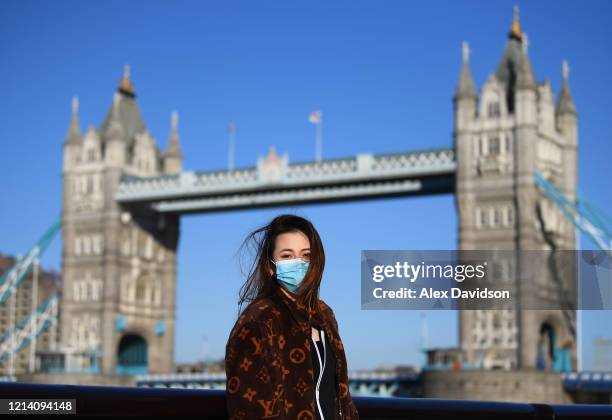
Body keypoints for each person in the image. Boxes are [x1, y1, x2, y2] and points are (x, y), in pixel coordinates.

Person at [225, 214, 360, 420]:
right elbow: (247, 409)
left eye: (306, 255)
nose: (298, 263)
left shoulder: (324, 315)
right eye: (287, 256)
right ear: (271, 266)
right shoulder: (257, 321)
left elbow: (341, 397)